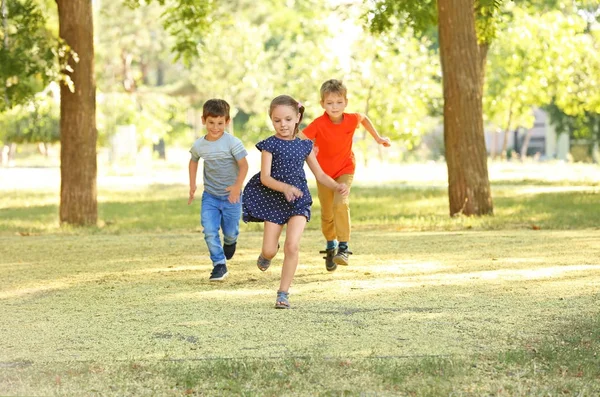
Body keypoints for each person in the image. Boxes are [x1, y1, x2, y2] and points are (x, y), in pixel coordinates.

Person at [242, 95, 349, 309]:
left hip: (298, 202)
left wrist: (336, 185)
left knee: (292, 246)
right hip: (273, 201)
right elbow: (265, 178)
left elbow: (319, 174)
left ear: (297, 117)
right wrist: (285, 188)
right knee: (271, 250)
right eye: (277, 120)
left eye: (288, 120)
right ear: (271, 120)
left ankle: (283, 294)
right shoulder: (269, 146)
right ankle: (266, 254)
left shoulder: (305, 145)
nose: (283, 125)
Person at [300, 79, 391, 272]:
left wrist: (378, 138)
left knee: (340, 203)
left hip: (345, 169)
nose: (335, 107)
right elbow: (300, 138)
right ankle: (331, 245)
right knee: (327, 213)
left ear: (346, 102)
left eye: (339, 102)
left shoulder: (351, 119)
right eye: (330, 103)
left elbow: (363, 118)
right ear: (322, 104)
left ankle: (343, 247)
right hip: (323, 174)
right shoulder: (318, 124)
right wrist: (311, 147)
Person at [188, 99, 249, 281]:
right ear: (203, 121)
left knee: (230, 232)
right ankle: (219, 264)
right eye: (211, 123)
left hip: (232, 196)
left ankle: (230, 242)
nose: (215, 127)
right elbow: (193, 160)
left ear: (227, 122)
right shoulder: (200, 145)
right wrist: (192, 185)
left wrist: (237, 187)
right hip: (211, 196)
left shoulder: (232, 143)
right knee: (209, 229)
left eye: (220, 123)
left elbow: (244, 165)